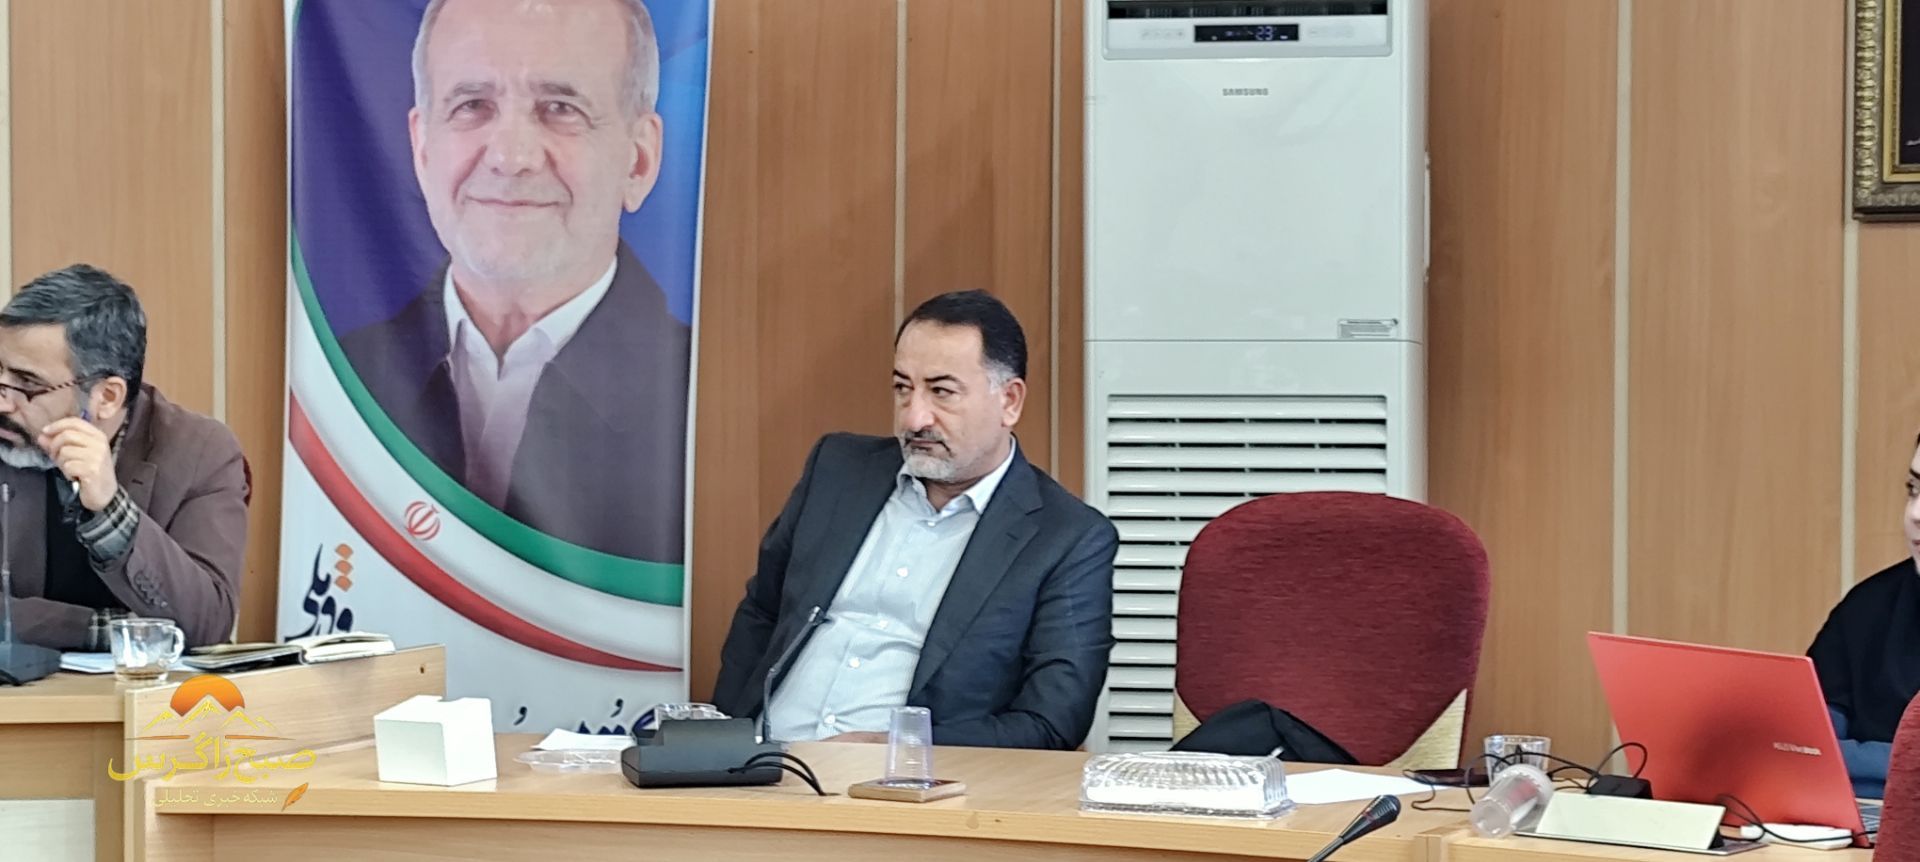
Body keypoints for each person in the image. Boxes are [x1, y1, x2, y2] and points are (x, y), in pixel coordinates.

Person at [339, 0, 689, 563]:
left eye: (560, 108)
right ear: (423, 150)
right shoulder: (337, 382)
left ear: (638, 161)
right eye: (472, 105)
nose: (510, 157)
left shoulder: (700, 405)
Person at [712, 291, 1119, 750]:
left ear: (1010, 401)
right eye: (903, 388)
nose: (914, 417)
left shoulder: (1066, 538)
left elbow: (1051, 723)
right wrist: (724, 738)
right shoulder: (838, 470)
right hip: (761, 765)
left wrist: (898, 748)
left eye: (942, 392)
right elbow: (761, 611)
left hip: (903, 780)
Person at [2, 265, 248, 650]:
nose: (4, 402)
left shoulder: (199, 452)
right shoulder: (9, 434)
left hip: (147, 689)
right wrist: (107, 630)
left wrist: (110, 511)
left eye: (28, 384)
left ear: (107, 397)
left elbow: (207, 624)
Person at [1810, 431, 1920, 798]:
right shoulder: (1870, 605)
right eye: (1914, 489)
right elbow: (1804, 751)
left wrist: (1857, 760)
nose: (1916, 513)